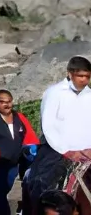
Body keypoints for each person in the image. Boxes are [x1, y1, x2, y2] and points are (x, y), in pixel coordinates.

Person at [25, 55, 91, 205]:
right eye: (80, 76)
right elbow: (49, 126)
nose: (84, 80)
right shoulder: (54, 93)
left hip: (87, 151)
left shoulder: (90, 96)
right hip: (58, 150)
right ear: (69, 73)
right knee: (43, 186)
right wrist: (66, 150)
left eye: (87, 76)